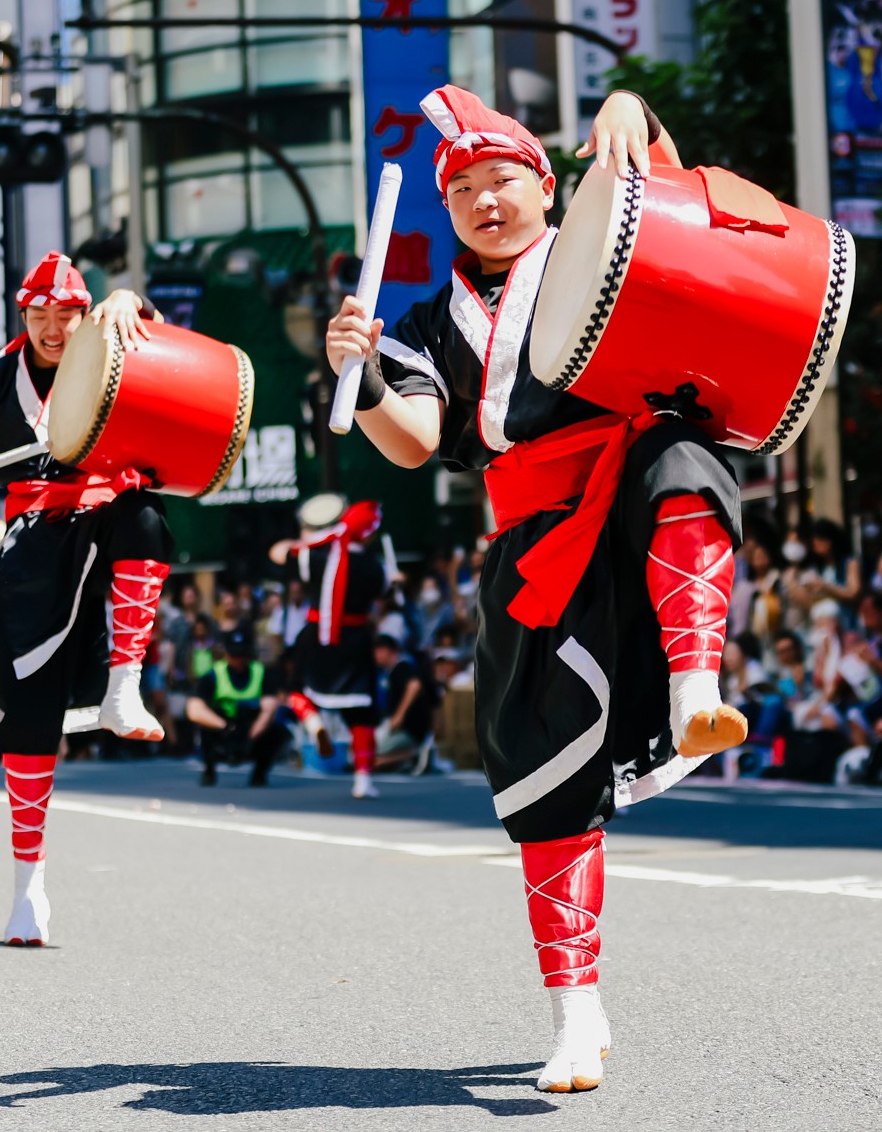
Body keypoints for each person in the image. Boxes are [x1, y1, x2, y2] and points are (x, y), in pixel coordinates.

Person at [328, 84, 746, 1093]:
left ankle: (697, 691)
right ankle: (575, 1008)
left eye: (500, 177)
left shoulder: (597, 243)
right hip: (531, 542)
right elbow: (418, 443)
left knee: (685, 462)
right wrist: (367, 375)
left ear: (543, 182)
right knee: (545, 784)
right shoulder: (428, 320)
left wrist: (632, 115)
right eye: (461, 186)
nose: (482, 198)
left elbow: (675, 206)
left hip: (632, 482)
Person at [0, 253, 172, 946]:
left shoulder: (113, 346)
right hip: (29, 545)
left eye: (68, 313)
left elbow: (173, 367)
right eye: (40, 315)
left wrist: (130, 298)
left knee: (146, 518)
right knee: (29, 721)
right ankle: (27, 882)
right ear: (21, 315)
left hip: (99, 519)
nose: (54, 327)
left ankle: (125, 687)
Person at [270, 498, 389, 798]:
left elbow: (278, 553)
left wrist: (306, 536)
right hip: (356, 639)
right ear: (370, 534)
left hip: (316, 635)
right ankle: (363, 780)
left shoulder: (316, 555)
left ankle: (314, 724)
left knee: (297, 689)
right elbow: (383, 594)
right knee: (361, 711)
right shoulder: (376, 568)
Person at [186, 635, 284, 787]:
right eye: (235, 655)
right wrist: (223, 726)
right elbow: (194, 709)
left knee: (277, 729)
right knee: (202, 728)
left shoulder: (261, 673)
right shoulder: (214, 674)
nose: (238, 660)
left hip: (251, 728)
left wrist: (252, 736)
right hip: (223, 728)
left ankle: (259, 774)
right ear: (226, 654)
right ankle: (209, 770)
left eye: (242, 655)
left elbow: (269, 708)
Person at [374, 631, 436, 772]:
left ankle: (413, 754)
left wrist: (399, 716)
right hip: (407, 729)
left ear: (385, 650)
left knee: (369, 752)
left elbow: (414, 685)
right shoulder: (394, 670)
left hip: (408, 730)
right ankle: (406, 759)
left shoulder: (401, 667)